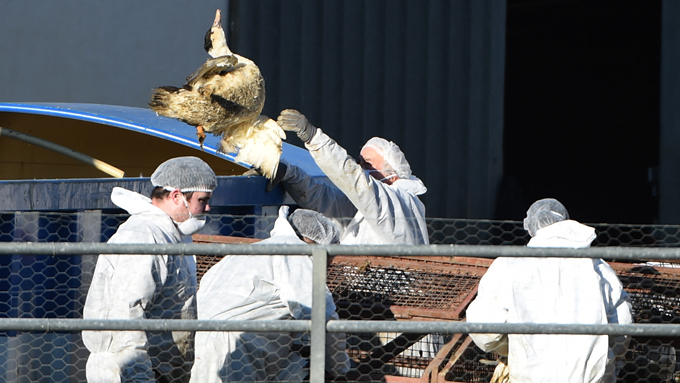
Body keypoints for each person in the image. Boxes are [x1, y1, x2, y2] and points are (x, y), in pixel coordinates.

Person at [466, 198, 634, 383]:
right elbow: (623, 322)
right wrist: (604, 355)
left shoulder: (509, 264)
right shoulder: (598, 267)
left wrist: (514, 347)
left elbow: (485, 331)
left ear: (531, 229)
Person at [82, 156, 217, 383]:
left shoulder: (172, 235)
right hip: (126, 370)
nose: (207, 207)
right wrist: (138, 375)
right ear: (176, 196)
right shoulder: (143, 235)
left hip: (159, 369)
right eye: (202, 200)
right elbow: (125, 312)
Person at [189, 206, 351, 383]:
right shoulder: (295, 252)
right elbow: (321, 315)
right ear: (317, 246)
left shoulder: (251, 251)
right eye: (327, 260)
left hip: (200, 342)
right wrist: (340, 368)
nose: (326, 268)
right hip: (237, 348)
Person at [268, 109, 429, 245]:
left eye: (368, 164)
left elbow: (354, 179)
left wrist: (314, 138)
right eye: (358, 162)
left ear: (392, 176)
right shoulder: (369, 208)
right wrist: (288, 173)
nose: (360, 168)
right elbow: (325, 200)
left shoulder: (398, 204)